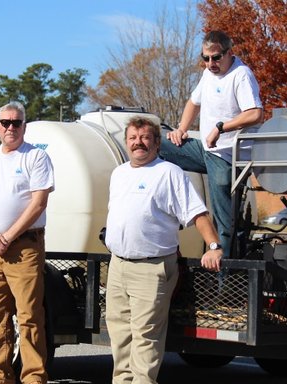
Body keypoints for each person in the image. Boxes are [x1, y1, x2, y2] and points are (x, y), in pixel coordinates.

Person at [105, 116, 223, 383]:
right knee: (119, 334)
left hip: (152, 267)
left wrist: (214, 246)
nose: (138, 143)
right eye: (133, 138)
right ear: (126, 143)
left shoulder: (169, 172)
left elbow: (197, 213)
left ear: (157, 143)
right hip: (118, 265)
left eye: (145, 138)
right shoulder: (119, 173)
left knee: (145, 336)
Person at [0, 101, 54, 384]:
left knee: (28, 314)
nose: (10, 127)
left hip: (25, 246)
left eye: (16, 123)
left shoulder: (36, 158)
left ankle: (33, 376)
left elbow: (38, 203)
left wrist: (9, 235)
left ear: (24, 127)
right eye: (5, 122)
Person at [160, 30, 263, 259]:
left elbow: (256, 113)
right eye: (205, 58)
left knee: (224, 221)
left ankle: (225, 284)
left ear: (229, 52)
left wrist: (221, 127)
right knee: (155, 140)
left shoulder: (241, 75)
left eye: (216, 57)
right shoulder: (208, 74)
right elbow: (193, 103)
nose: (210, 63)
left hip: (227, 156)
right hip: (205, 149)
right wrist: (181, 130)